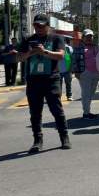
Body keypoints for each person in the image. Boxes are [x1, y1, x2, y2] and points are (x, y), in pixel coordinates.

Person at [17, 14, 70, 153]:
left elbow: (60, 55)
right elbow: (20, 57)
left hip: (51, 78)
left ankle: (64, 137)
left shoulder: (56, 38)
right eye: (36, 25)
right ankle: (37, 140)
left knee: (57, 110)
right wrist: (31, 52)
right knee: (35, 112)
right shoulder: (28, 40)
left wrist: (44, 51)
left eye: (41, 25)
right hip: (34, 80)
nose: (38, 28)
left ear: (48, 26)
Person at [73, 30, 99, 119]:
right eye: (87, 36)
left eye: (91, 36)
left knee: (92, 93)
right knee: (86, 93)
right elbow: (74, 61)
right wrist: (76, 72)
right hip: (85, 72)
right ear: (83, 37)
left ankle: (88, 110)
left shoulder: (96, 46)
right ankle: (86, 113)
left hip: (95, 72)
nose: (89, 38)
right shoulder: (78, 47)